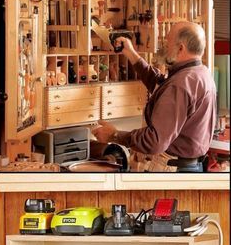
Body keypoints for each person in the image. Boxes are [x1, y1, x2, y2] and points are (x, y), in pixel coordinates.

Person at [92, 21, 217, 172]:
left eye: (168, 41)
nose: (163, 44)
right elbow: (161, 86)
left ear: (180, 47)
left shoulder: (181, 84)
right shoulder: (200, 73)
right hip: (188, 165)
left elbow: (154, 141)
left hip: (171, 170)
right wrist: (131, 54)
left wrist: (114, 135)